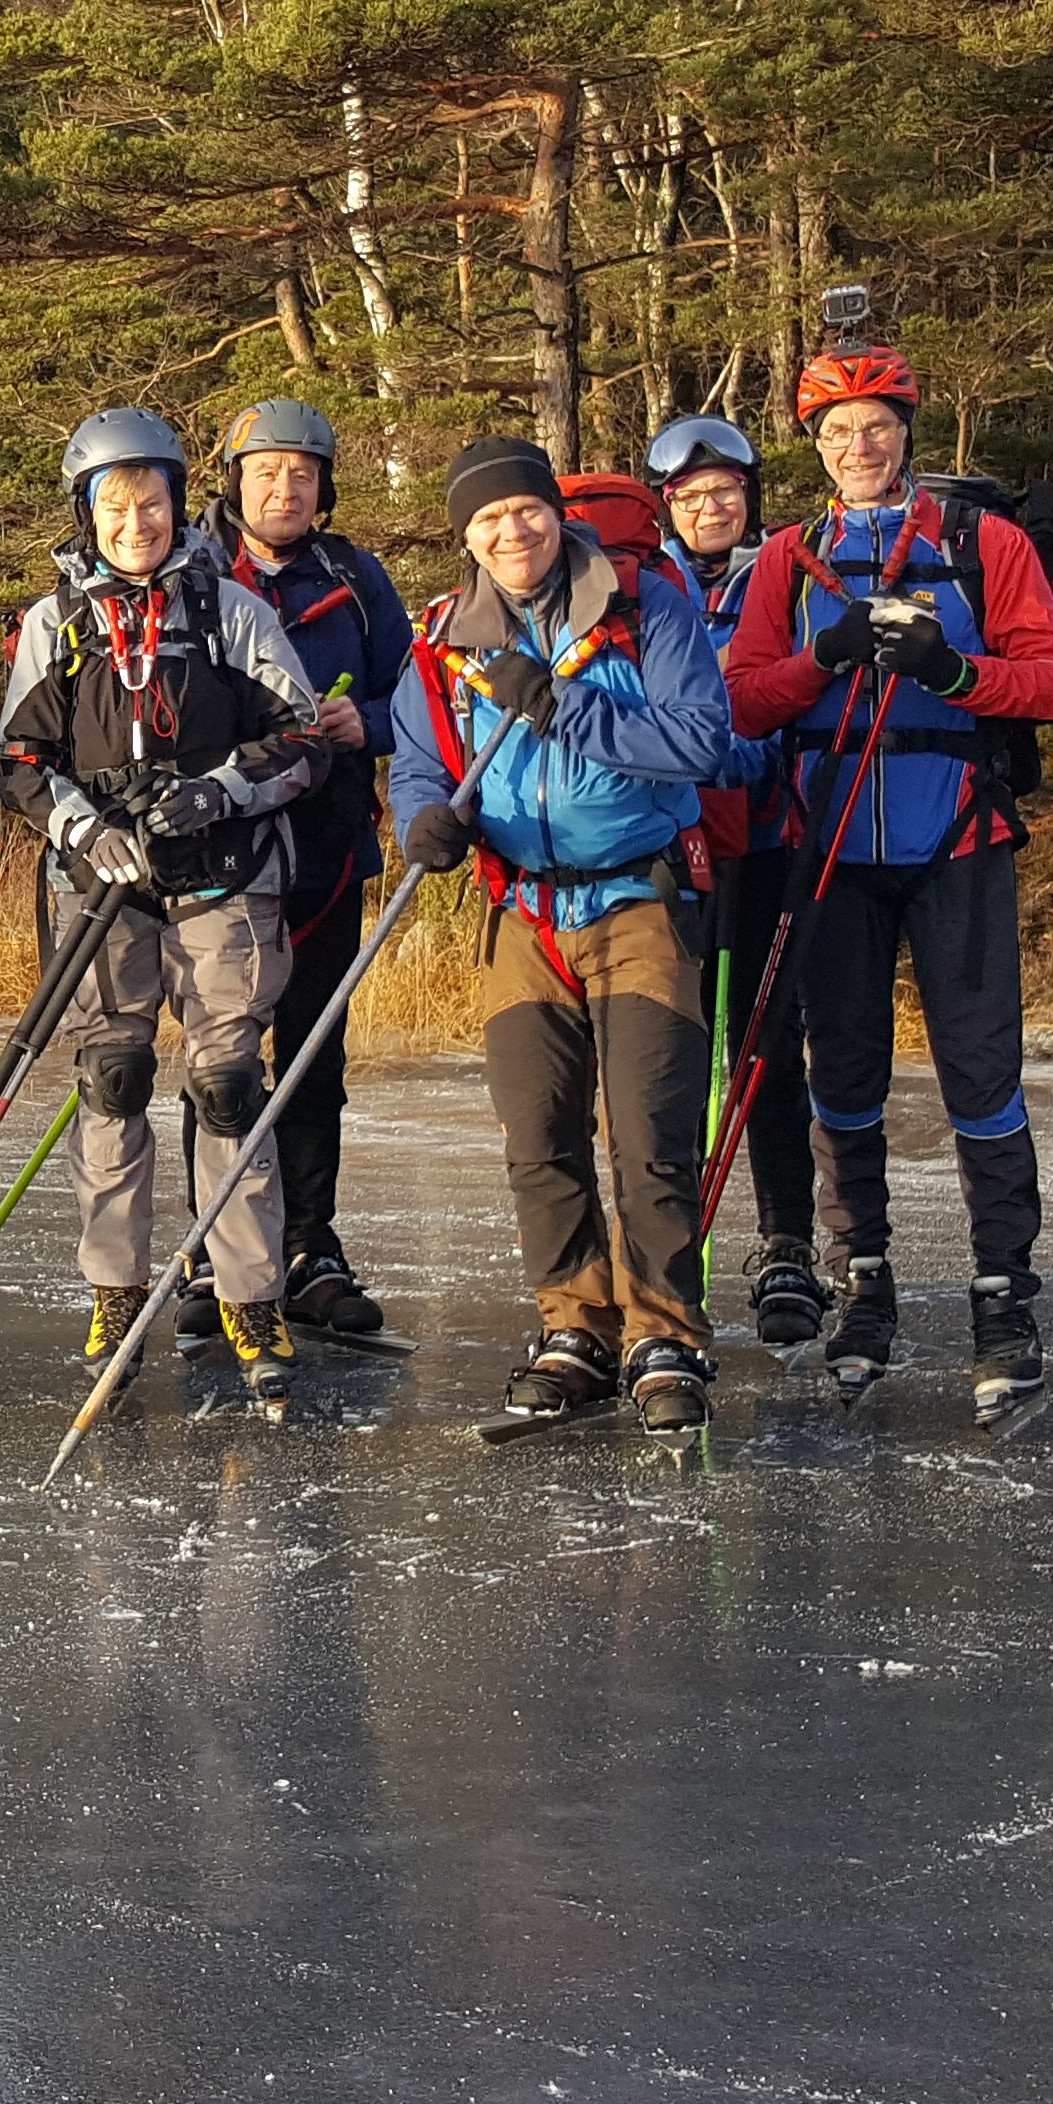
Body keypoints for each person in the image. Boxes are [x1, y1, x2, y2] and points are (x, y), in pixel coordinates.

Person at [716, 344, 1053, 1416]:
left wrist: (949, 672)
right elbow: (743, 704)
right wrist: (822, 656)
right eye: (835, 433)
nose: (857, 447)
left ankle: (1000, 1293)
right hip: (829, 843)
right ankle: (862, 1282)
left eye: (873, 426)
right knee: (841, 1073)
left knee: (981, 1072)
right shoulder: (786, 559)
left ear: (904, 434)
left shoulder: (985, 542)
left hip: (955, 842)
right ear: (815, 450)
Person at [389, 437, 734, 1430]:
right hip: (521, 908)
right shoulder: (442, 637)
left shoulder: (641, 608)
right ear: (465, 535)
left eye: (524, 511)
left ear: (554, 513)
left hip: (637, 901)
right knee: (537, 1131)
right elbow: (420, 760)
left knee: (648, 1132)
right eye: (487, 520)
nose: (511, 531)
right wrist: (423, 823)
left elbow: (698, 741)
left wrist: (557, 707)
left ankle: (663, 1334)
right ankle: (573, 1327)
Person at [0, 408, 328, 1409]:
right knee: (113, 1076)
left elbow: (301, 739)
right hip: (103, 891)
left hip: (220, 880)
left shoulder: (227, 610)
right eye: (112, 503)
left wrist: (215, 789)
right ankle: (116, 1290)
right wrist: (83, 830)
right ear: (84, 512)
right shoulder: (54, 625)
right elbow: (18, 760)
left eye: (150, 500)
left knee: (227, 1084)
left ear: (180, 502)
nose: (134, 521)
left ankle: (248, 1296)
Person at [198, 397, 407, 1352]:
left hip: (325, 847)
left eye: (303, 474)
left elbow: (421, 690)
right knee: (223, 1056)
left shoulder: (355, 578)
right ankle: (219, 1251)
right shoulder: (192, 572)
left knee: (313, 1047)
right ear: (233, 481)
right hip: (224, 852)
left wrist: (371, 719)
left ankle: (309, 1245)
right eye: (266, 471)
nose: (285, 489)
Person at [651, 412, 821, 1344]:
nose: (712, 509)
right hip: (676, 849)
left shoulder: (782, 577)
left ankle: (786, 1238)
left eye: (727, 493)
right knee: (673, 1050)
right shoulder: (644, 585)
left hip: (762, 842)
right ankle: (670, 1246)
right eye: (691, 497)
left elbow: (789, 699)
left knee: (763, 1047)